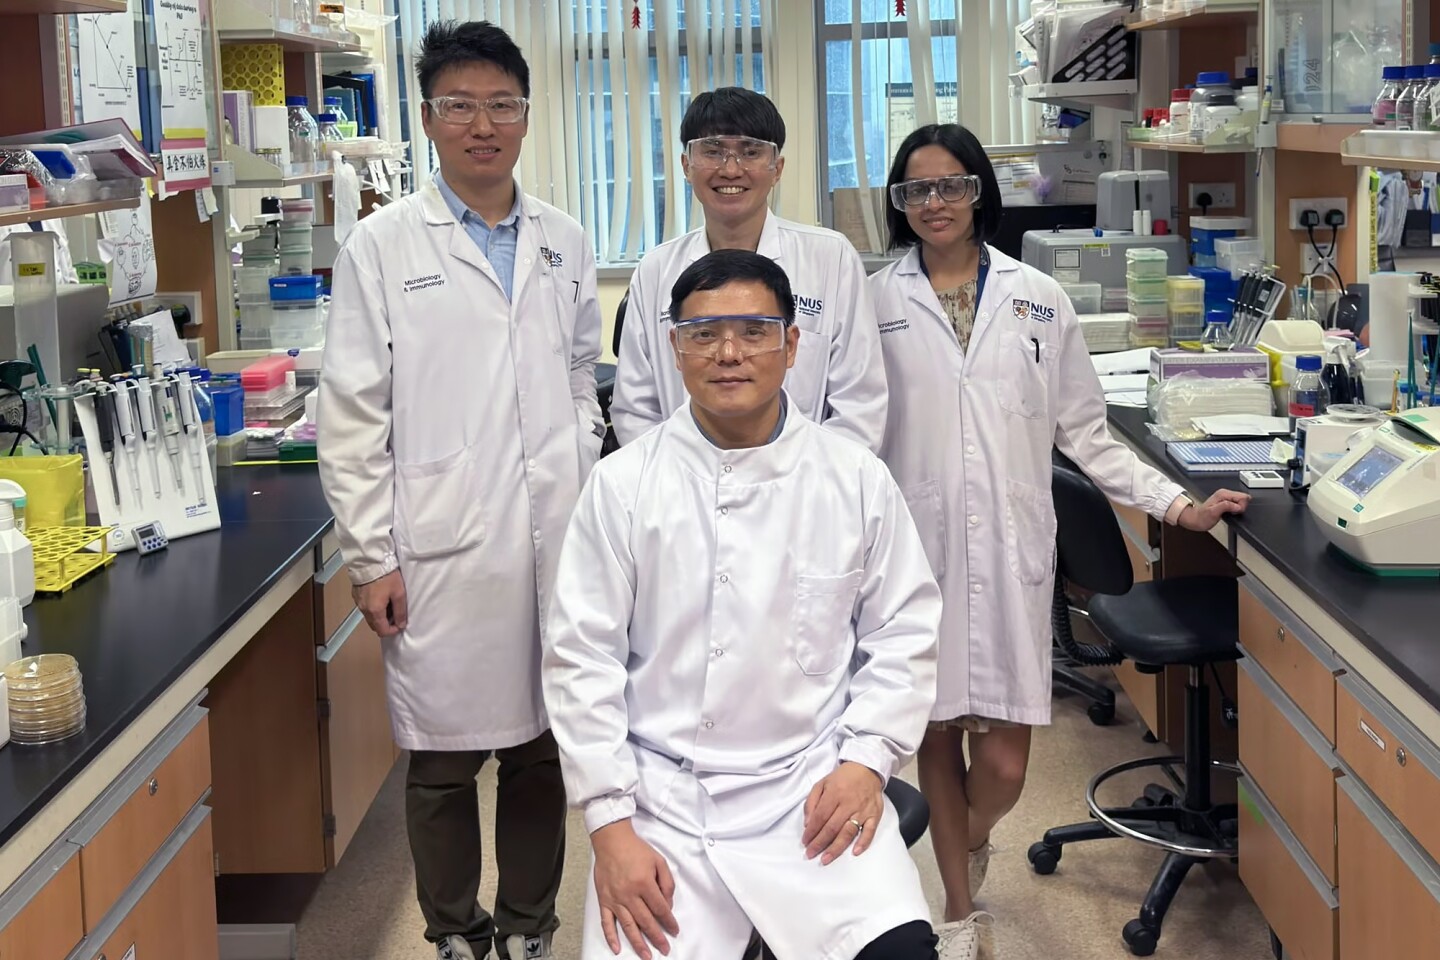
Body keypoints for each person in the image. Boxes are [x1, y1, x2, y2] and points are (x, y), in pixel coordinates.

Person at [869, 124, 1252, 953]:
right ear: (899, 204)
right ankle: (960, 911)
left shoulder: (1039, 297)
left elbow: (1089, 435)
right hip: (913, 550)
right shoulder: (876, 303)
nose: (934, 203)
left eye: (951, 185)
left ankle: (965, 844)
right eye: (915, 190)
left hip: (1010, 549)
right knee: (935, 733)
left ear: (979, 193)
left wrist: (1178, 506)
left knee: (1004, 766)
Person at [544, 249, 979, 960]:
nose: (728, 353)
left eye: (753, 331)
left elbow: (903, 634)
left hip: (809, 793)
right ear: (674, 349)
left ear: (792, 344)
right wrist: (610, 827)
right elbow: (580, 662)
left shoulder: (852, 478)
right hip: (661, 804)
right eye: (703, 334)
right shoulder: (623, 485)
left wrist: (866, 761)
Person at [317, 20, 604, 960]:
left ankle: (527, 924)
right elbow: (355, 410)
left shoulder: (561, 237)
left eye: (501, 105)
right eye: (460, 106)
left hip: (556, 530)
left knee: (542, 747)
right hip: (438, 539)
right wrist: (371, 556)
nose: (483, 125)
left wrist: (582, 449)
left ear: (526, 116)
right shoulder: (382, 244)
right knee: (441, 759)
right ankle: (452, 927)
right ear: (431, 121)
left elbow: (575, 367)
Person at [610, 86, 887, 453]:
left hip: (806, 493)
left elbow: (859, 405)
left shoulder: (830, 259)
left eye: (750, 152)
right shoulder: (657, 269)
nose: (730, 169)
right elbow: (635, 409)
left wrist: (807, 487)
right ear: (686, 166)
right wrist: (678, 487)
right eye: (712, 151)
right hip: (681, 494)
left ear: (777, 169)